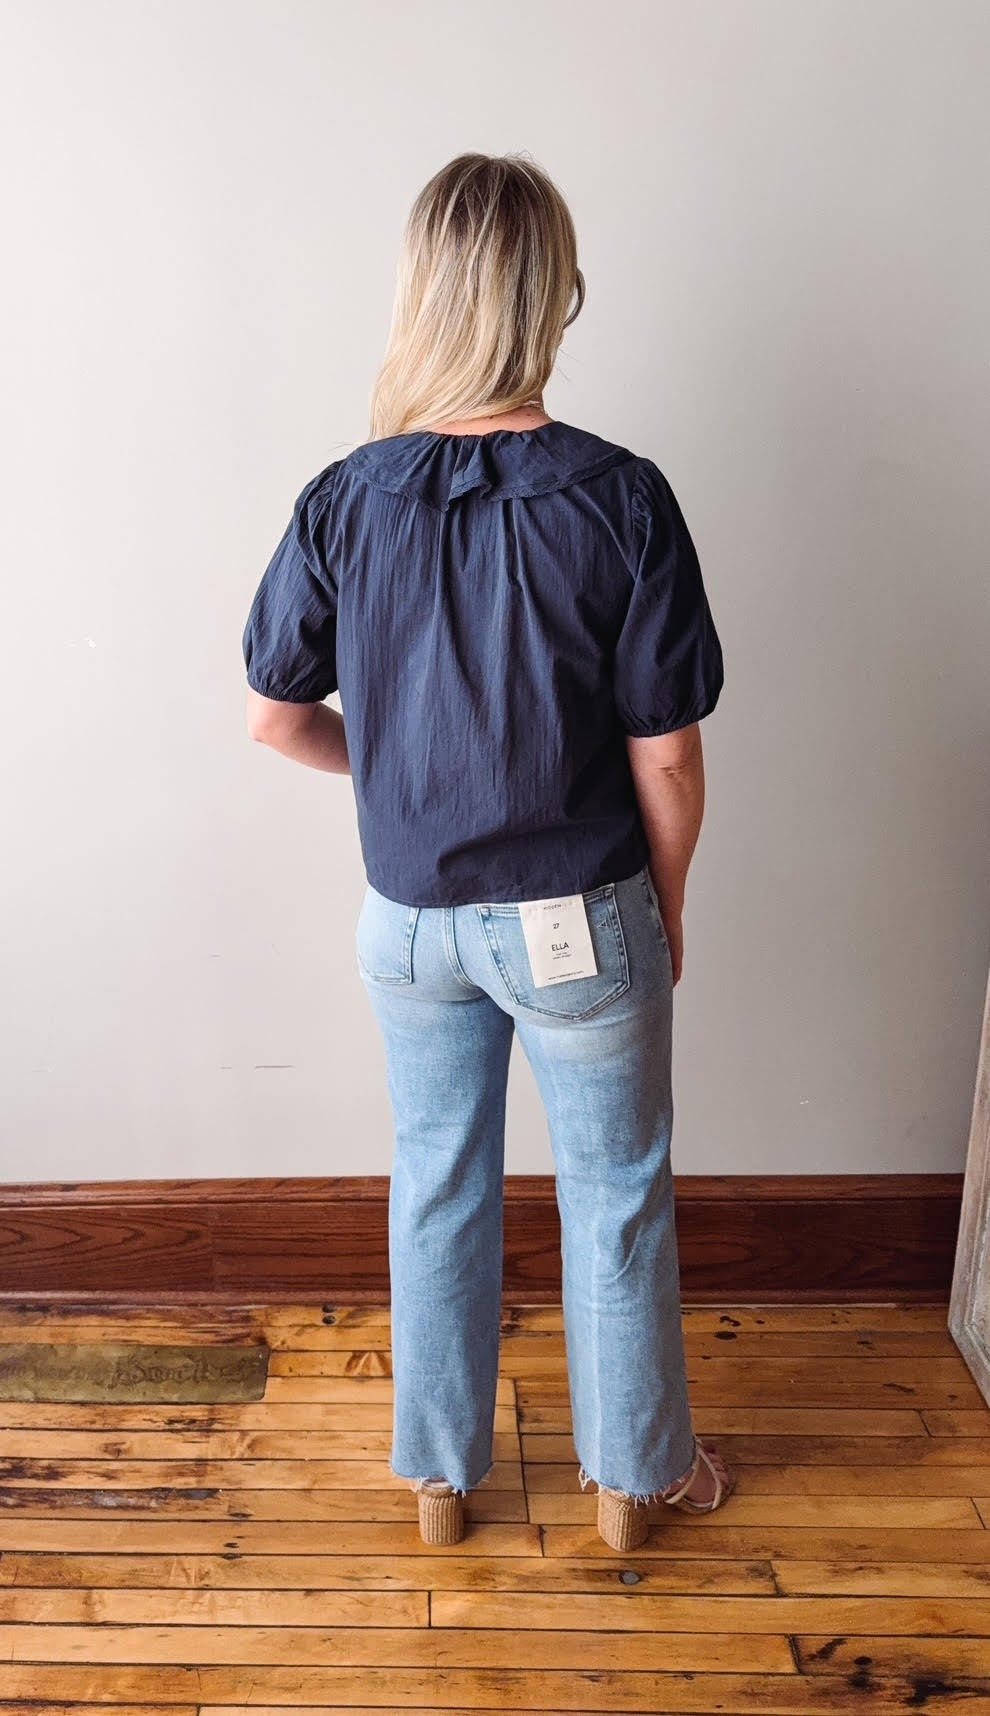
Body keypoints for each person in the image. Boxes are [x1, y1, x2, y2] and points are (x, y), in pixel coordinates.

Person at [241, 151, 735, 1552]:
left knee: (437, 1185)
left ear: (427, 294)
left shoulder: (346, 497)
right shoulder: (622, 497)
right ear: (550, 295)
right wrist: (668, 905)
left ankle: (440, 1484)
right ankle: (633, 1486)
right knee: (616, 1193)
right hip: (580, 915)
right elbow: (666, 756)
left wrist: (407, 776)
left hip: (409, 925)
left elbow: (275, 718)